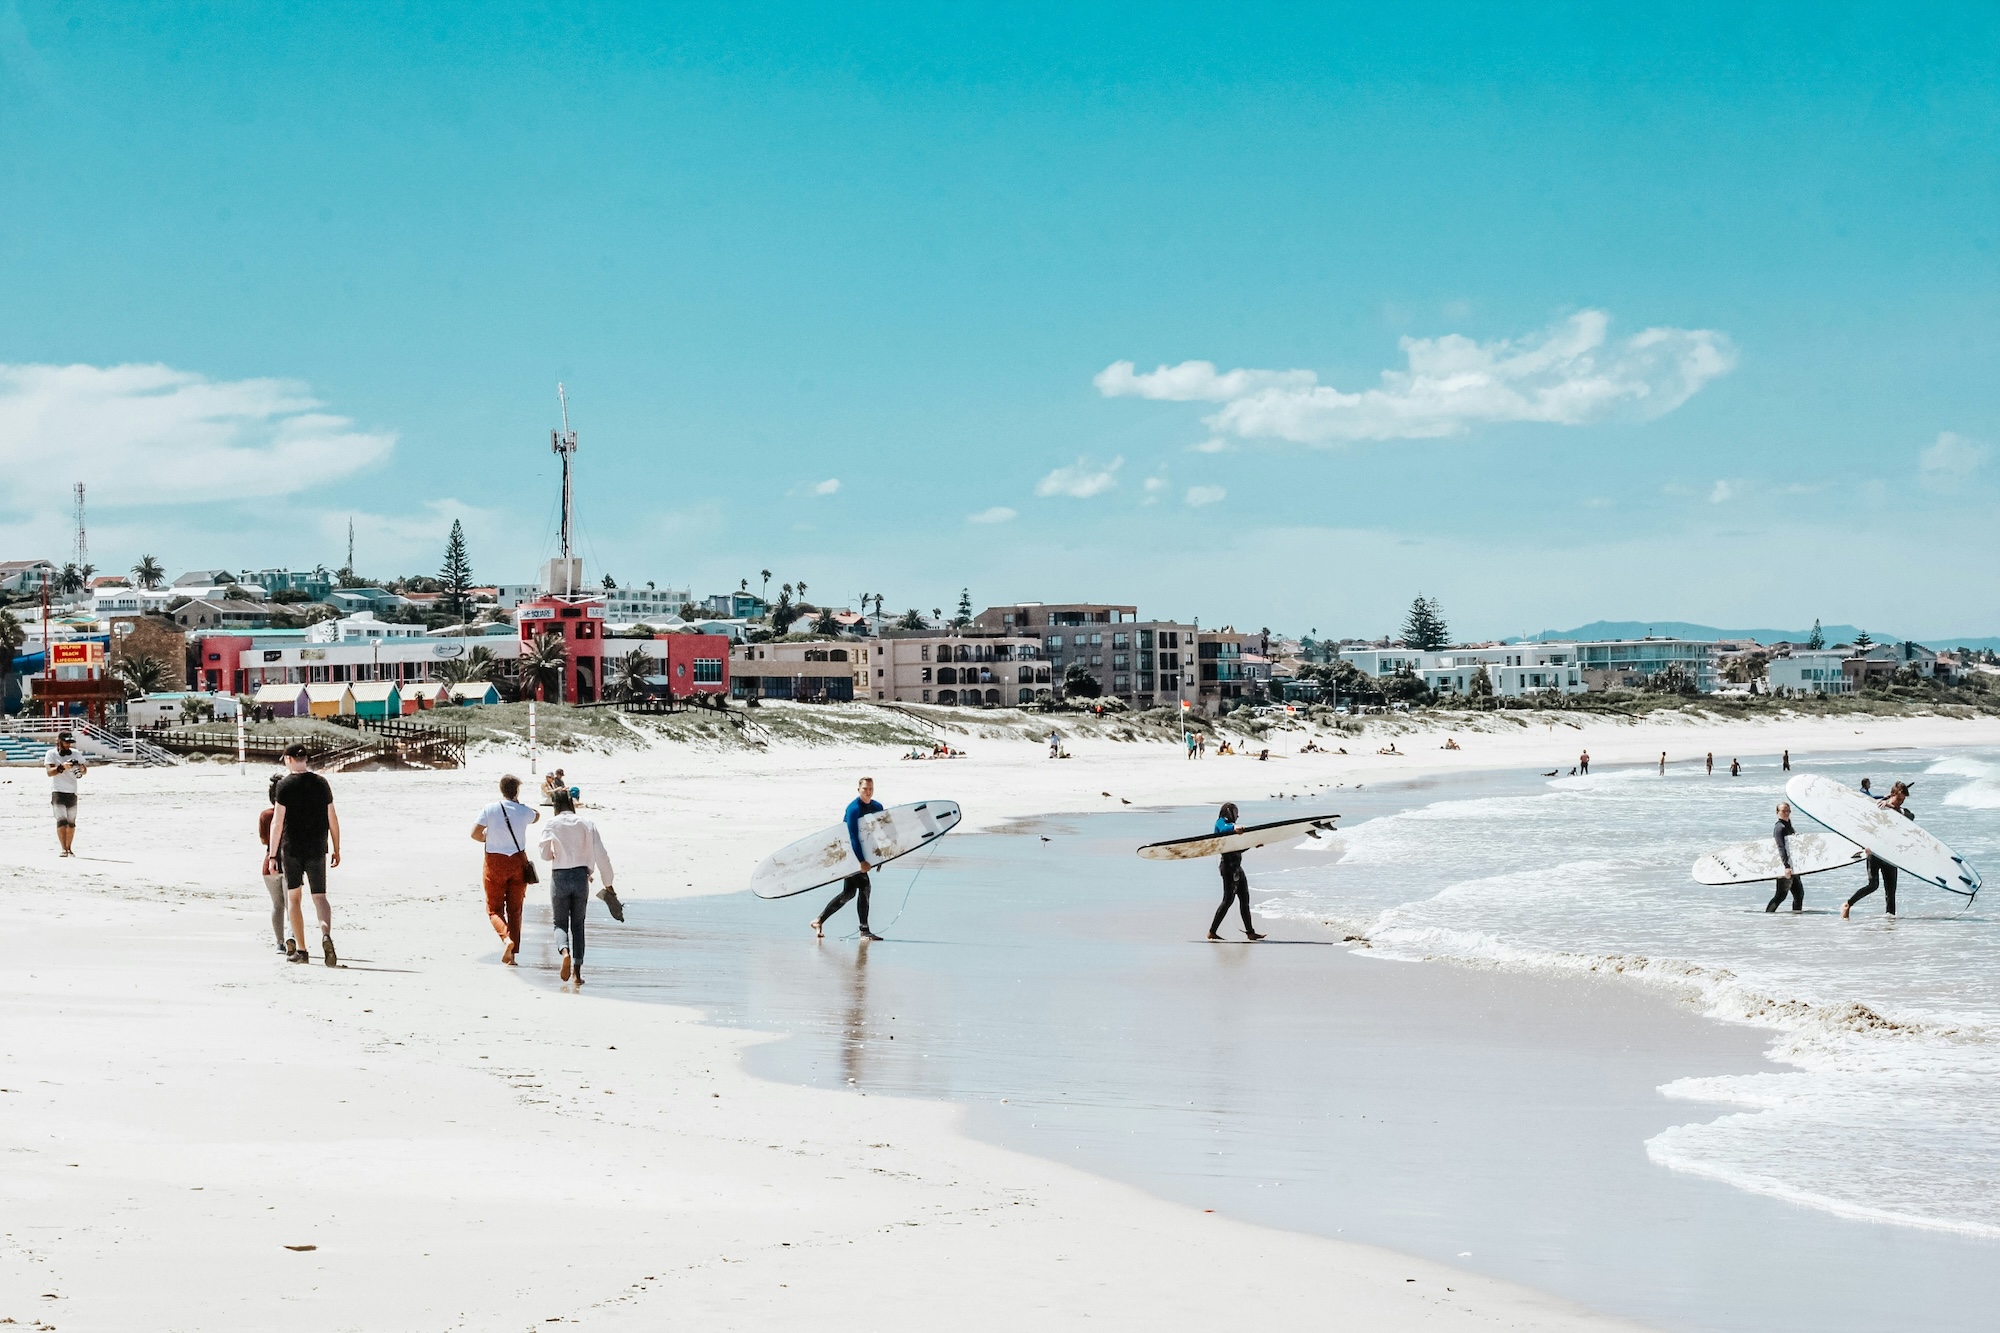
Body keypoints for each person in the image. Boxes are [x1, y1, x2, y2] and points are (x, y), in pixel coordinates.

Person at [264, 743, 340, 966]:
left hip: (292, 849)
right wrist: (337, 847)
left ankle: (302, 949)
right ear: (305, 759)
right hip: (317, 847)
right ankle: (325, 934)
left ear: (288, 759)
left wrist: (272, 856)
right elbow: (332, 818)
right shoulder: (321, 783)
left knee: (295, 899)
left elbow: (277, 823)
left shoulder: (285, 786)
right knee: (320, 897)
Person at [538, 790, 615, 984]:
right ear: (571, 804)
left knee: (560, 923)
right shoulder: (587, 823)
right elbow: (601, 855)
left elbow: (544, 854)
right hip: (581, 877)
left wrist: (552, 855)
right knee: (578, 925)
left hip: (560, 876)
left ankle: (565, 952)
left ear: (555, 806)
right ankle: (577, 974)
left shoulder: (551, 824)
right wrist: (609, 883)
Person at [472, 774, 540, 965]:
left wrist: (488, 837)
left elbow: (475, 833)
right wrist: (519, 803)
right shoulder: (523, 811)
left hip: (494, 862)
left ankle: (506, 939)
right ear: (516, 791)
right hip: (517, 862)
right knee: (515, 909)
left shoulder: (490, 808)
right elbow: (537, 816)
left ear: (501, 790)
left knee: (494, 909)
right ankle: (513, 955)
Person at [812, 777, 883, 941]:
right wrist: (861, 861)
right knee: (865, 886)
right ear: (858, 789)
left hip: (863, 854)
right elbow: (853, 838)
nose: (868, 791)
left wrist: (879, 857)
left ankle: (819, 920)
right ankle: (864, 930)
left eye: (871, 788)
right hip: (849, 853)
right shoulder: (853, 809)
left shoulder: (877, 807)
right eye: (865, 789)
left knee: (849, 892)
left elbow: (876, 834)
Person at [1844, 782, 1912, 919]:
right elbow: (1863, 825)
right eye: (1899, 799)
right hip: (1875, 853)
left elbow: (1910, 817)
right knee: (1873, 885)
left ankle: (1890, 923)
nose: (1900, 802)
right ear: (1892, 794)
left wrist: (1891, 806)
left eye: (1903, 800)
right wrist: (1863, 846)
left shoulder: (1898, 810)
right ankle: (1848, 904)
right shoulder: (1877, 807)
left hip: (1891, 855)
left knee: (1891, 892)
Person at [1206, 802, 1264, 941]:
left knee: (1245, 900)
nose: (1238, 815)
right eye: (1236, 812)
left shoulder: (1233, 831)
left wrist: (1252, 844)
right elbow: (1225, 828)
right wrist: (1234, 827)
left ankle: (1250, 932)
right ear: (1229, 811)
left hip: (1237, 868)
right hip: (1228, 867)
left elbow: (1237, 848)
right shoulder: (1221, 823)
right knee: (1228, 901)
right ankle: (1212, 932)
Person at [258, 773, 288, 953]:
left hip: (268, 861)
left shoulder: (265, 815)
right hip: (289, 860)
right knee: (292, 905)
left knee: (277, 905)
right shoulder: (292, 814)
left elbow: (263, 839)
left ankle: (280, 942)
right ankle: (293, 940)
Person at [45, 730, 86, 856]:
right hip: (57, 790)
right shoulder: (51, 754)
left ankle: (69, 848)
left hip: (72, 791)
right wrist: (62, 767)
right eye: (66, 742)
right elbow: (49, 772)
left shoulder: (76, 754)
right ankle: (64, 848)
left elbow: (84, 772)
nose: (68, 745)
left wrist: (79, 767)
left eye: (70, 743)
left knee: (71, 822)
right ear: (59, 742)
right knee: (61, 821)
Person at [1767, 801, 1804, 913]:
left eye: (1788, 811)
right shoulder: (1779, 827)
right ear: (1777, 812)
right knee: (1781, 895)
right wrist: (1786, 866)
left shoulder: (1788, 826)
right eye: (1783, 811)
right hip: (1785, 866)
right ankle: (1768, 915)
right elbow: (1781, 847)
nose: (1786, 813)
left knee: (1799, 894)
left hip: (1793, 866)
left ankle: (1796, 919)